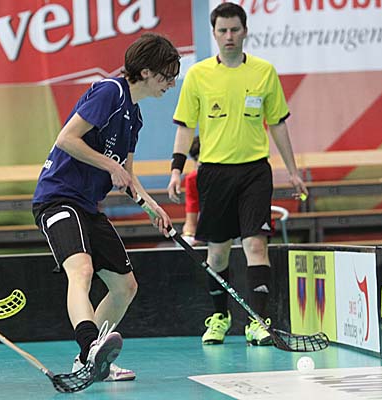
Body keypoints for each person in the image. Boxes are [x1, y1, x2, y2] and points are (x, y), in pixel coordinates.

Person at [33, 33, 179, 382]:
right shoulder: (110, 91)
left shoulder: (135, 117)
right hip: (57, 197)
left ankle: (88, 360)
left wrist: (152, 207)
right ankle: (89, 348)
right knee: (81, 270)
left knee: (125, 286)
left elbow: (127, 175)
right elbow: (66, 139)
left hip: (87, 206)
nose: (171, 84)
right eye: (167, 75)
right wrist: (109, 165)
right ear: (146, 72)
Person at [167, 3, 307, 347]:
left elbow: (278, 124)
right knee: (217, 254)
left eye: (234, 29)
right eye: (222, 30)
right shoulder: (198, 75)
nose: (229, 36)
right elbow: (185, 126)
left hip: (255, 171)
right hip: (214, 174)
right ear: (214, 34)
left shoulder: (264, 72)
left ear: (245, 31)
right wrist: (176, 169)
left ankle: (258, 322)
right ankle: (220, 317)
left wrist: (292, 171)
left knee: (255, 245)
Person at [181, 136, 204, 246]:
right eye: (196, 160)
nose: (199, 165)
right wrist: (189, 236)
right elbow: (191, 222)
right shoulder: (192, 179)